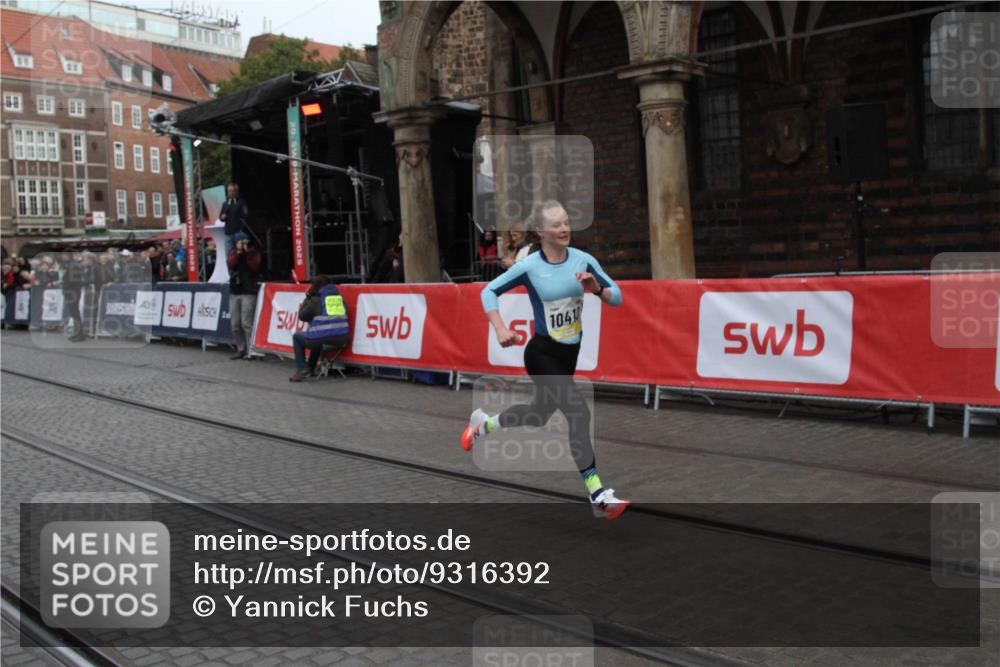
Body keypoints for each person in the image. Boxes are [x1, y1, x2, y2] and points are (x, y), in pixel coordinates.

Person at [460, 200, 629, 521]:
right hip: (541, 353)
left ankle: (484, 425)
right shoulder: (529, 266)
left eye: (566, 222)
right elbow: (488, 292)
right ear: (540, 231)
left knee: (538, 415)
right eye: (556, 225)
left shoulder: (583, 260)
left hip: (568, 356)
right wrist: (500, 328)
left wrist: (596, 289)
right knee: (578, 411)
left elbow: (617, 297)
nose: (564, 229)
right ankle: (597, 494)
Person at [289, 275, 351, 382]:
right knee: (317, 336)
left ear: (315, 286)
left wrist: (307, 299)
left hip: (322, 338)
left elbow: (302, 316)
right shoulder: (339, 299)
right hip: (341, 339)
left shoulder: (316, 300)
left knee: (297, 337)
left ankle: (302, 369)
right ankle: (310, 368)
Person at [227, 233, 261, 359]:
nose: (242, 244)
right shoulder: (233, 252)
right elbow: (231, 264)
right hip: (234, 292)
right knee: (235, 324)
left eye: (244, 241)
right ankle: (241, 348)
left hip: (248, 291)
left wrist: (247, 253)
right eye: (240, 242)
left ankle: (251, 350)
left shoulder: (253, 253)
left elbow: (255, 266)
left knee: (246, 323)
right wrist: (238, 252)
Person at [220, 181, 249, 255]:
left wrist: (241, 229)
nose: (231, 193)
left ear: (236, 191)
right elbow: (221, 217)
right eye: (229, 191)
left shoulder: (241, 202)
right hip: (228, 233)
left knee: (240, 254)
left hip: (238, 232)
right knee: (229, 256)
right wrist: (222, 217)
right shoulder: (225, 203)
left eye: (233, 191)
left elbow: (245, 215)